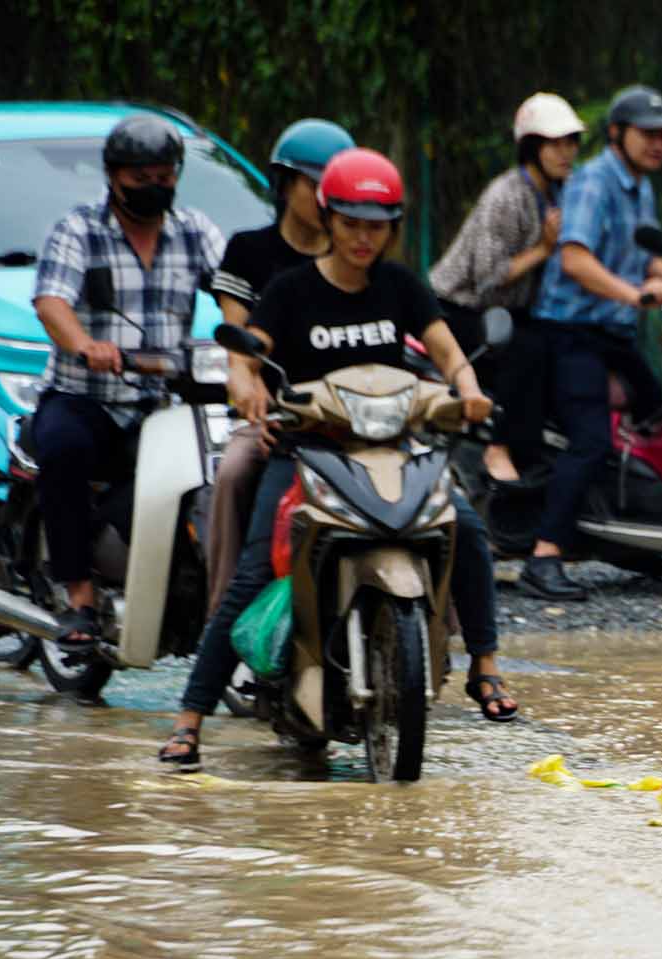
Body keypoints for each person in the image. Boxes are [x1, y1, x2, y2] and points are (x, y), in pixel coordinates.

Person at [158, 148, 516, 770]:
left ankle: (485, 667)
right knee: (248, 575)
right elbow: (251, 351)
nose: (362, 237)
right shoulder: (290, 290)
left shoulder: (401, 286)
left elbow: (446, 350)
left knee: (469, 526)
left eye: (376, 225)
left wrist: (469, 388)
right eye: (351, 222)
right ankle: (190, 719)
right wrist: (245, 382)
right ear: (328, 217)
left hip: (394, 447)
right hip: (309, 451)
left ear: (392, 228)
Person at [31, 115, 225, 647]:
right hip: (82, 396)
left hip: (159, 406)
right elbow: (52, 302)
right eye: (141, 178)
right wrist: (84, 345)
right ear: (113, 176)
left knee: (209, 476)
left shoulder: (194, 231)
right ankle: (79, 599)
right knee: (63, 449)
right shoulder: (79, 228)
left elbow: (235, 289)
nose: (154, 187)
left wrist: (250, 334)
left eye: (164, 176)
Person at [518, 83, 662, 602]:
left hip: (612, 330)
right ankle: (544, 556)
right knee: (592, 439)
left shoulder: (640, 187)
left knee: (659, 417)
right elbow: (575, 259)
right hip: (571, 331)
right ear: (617, 133)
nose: (658, 143)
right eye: (648, 133)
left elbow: (643, 257)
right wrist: (635, 294)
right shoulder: (595, 182)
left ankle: (634, 540)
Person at [205, 117, 356, 615]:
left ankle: (444, 628)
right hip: (278, 419)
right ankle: (223, 612)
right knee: (233, 472)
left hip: (358, 418)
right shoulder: (250, 251)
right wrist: (245, 381)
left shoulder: (356, 255)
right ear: (285, 185)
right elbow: (239, 344)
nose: (327, 199)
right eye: (317, 186)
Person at [430, 92, 584, 484]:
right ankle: (499, 448)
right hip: (458, 307)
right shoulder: (507, 196)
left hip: (507, 310)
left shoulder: (557, 193)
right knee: (526, 350)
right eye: (554, 143)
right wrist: (544, 250)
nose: (565, 152)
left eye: (570, 142)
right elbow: (487, 277)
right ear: (532, 148)